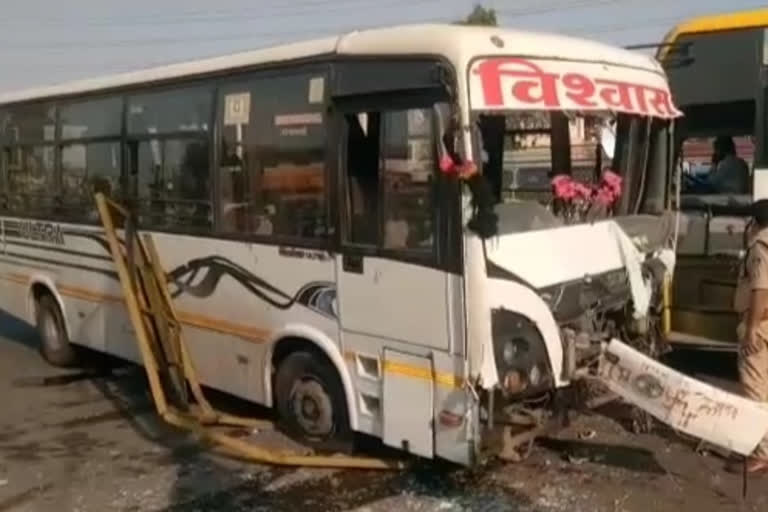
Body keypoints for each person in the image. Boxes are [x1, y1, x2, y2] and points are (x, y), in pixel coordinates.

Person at [732, 198, 768, 473]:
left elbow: (760, 288)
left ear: (754, 223)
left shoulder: (759, 248)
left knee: (754, 388)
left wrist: (752, 328)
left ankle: (762, 452)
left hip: (761, 322)